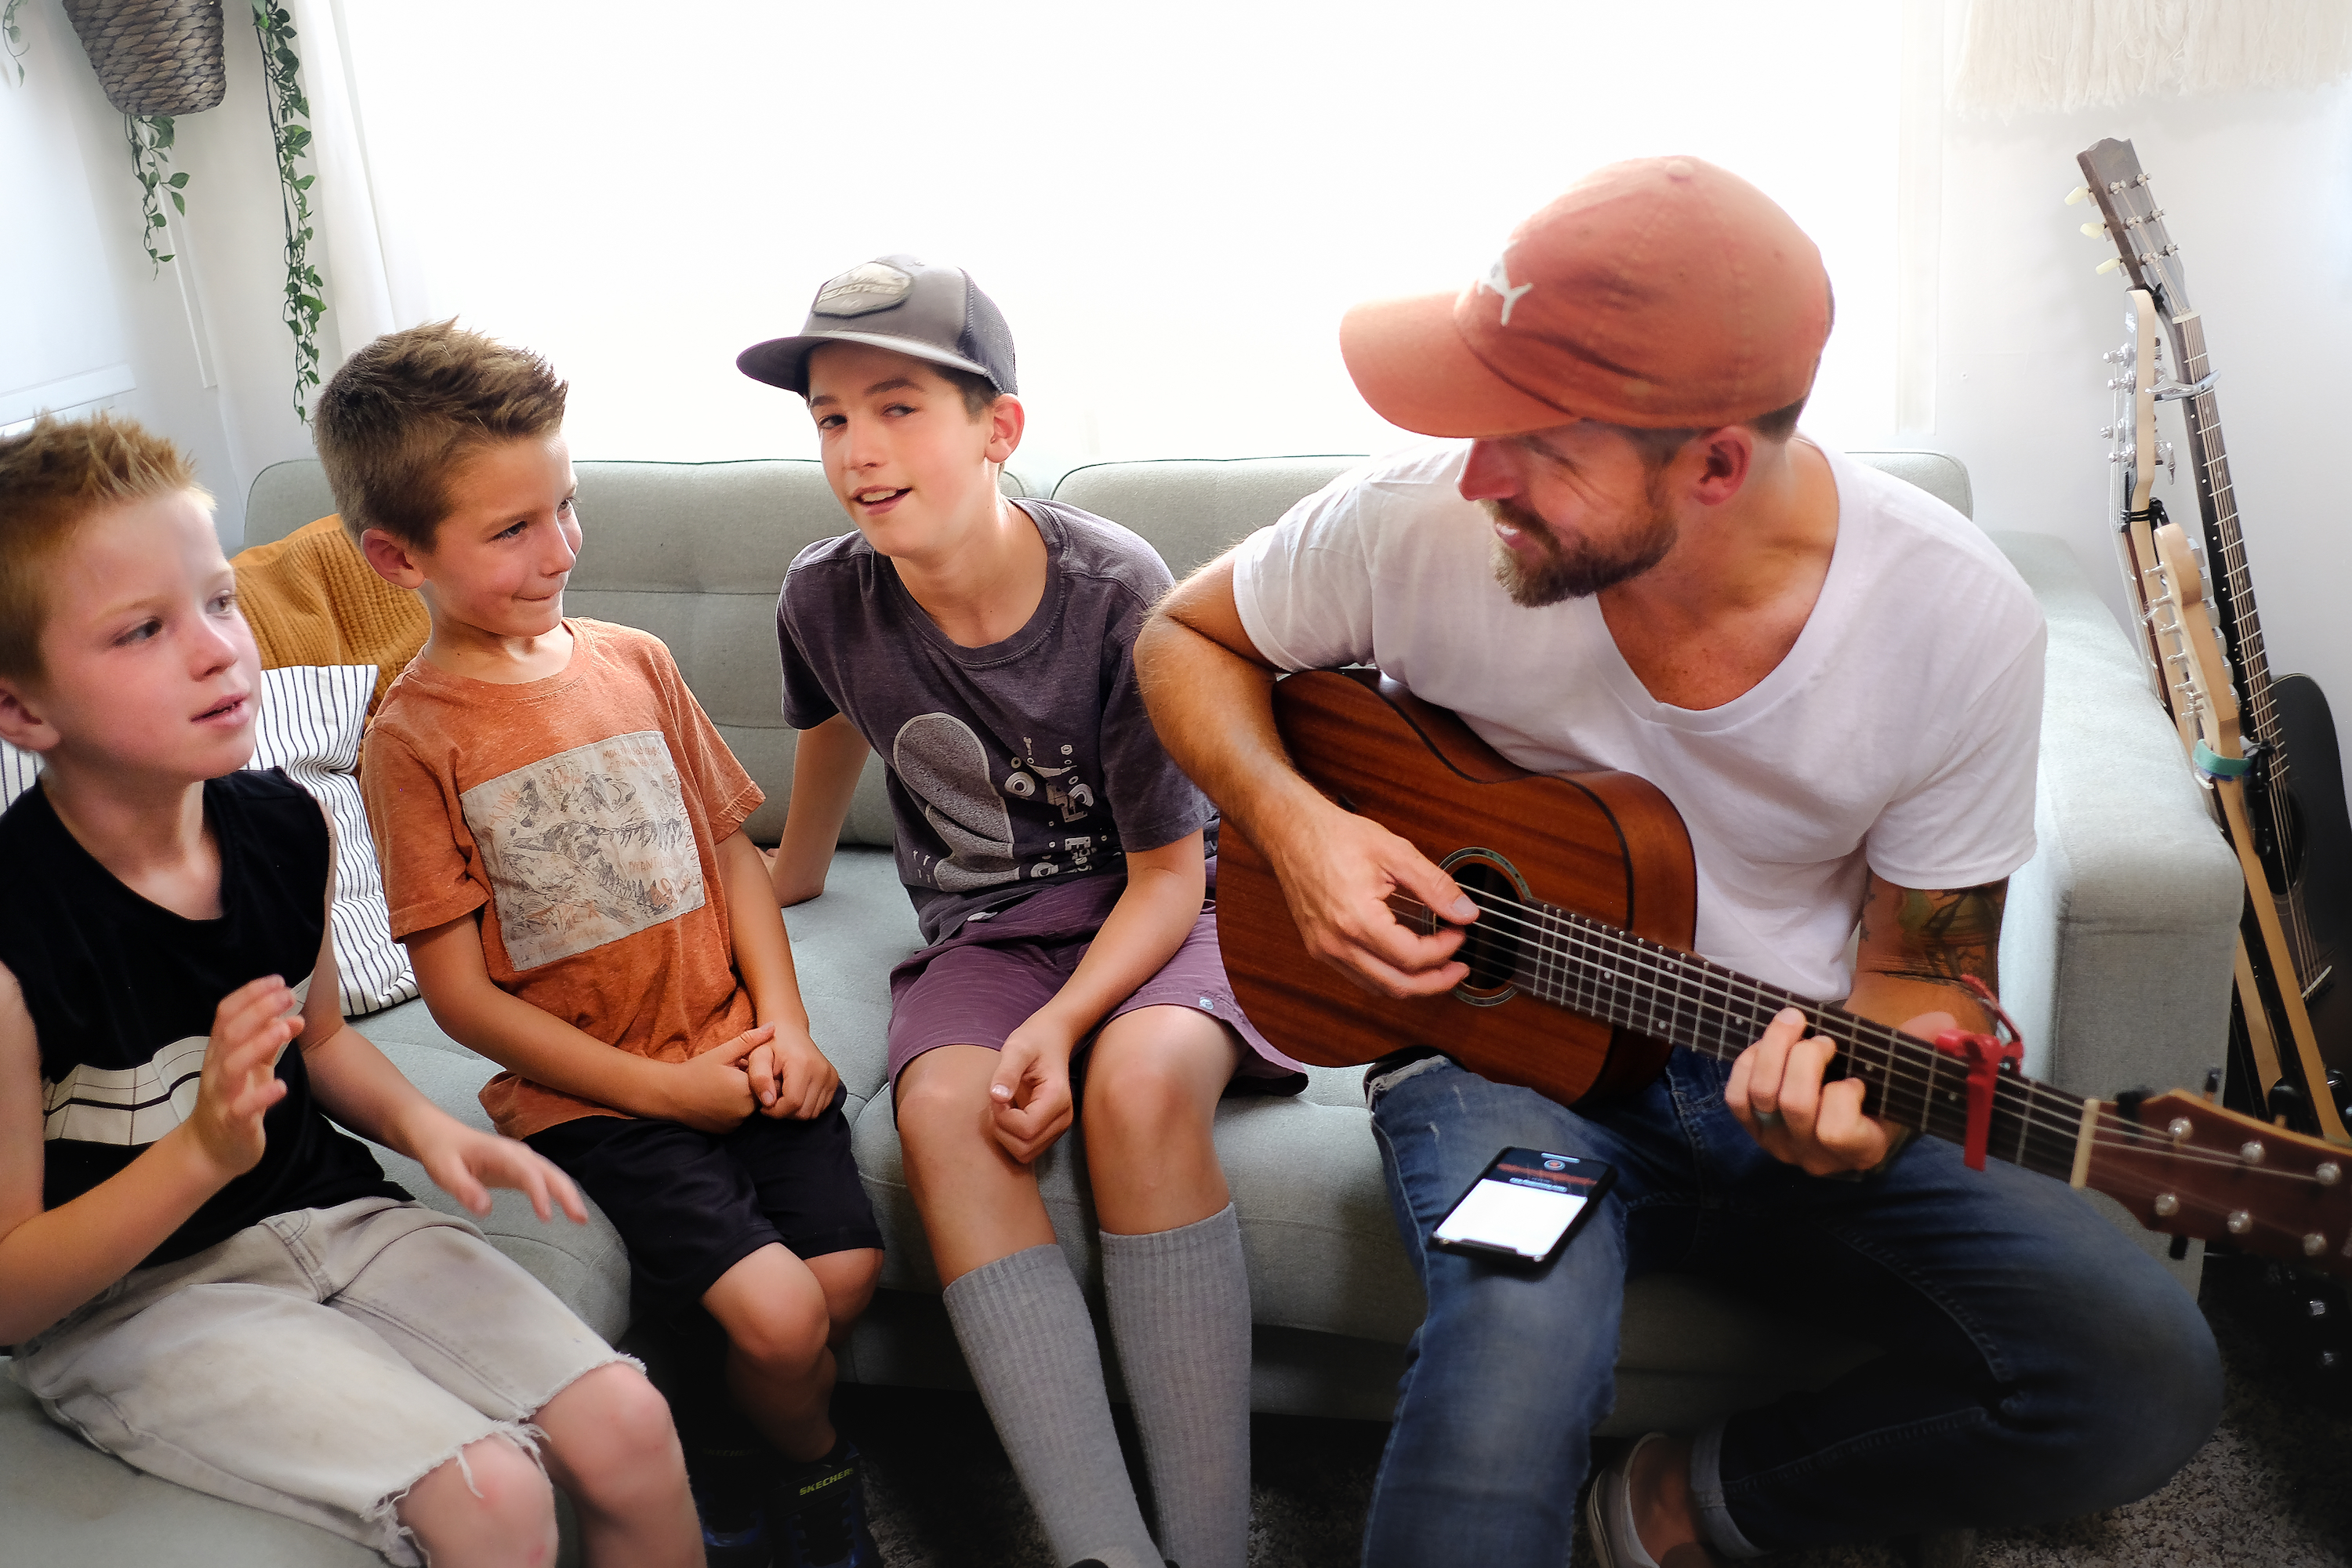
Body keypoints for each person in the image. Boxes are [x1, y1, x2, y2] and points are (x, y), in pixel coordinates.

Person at [1135, 158, 2223, 1568]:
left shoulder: (1953, 619)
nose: (1478, 475)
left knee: (2143, 1370)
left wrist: (1874, 1107)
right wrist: (1300, 826)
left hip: (1779, 1071)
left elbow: (1925, 975)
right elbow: (1183, 637)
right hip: (1502, 1069)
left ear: (1715, 462)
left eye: (1538, 443)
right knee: (1505, 1362)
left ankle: (1684, 1509)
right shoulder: (1421, 522)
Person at [0, 411, 699, 1566]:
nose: (217, 648)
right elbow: (13, 1298)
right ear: (24, 711)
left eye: (219, 601)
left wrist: (432, 1130)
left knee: (628, 1425)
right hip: (136, 1303)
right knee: (491, 1499)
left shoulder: (289, 823)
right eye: (141, 632)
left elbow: (322, 1044)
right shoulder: (16, 939)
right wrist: (200, 1154)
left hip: (335, 1214)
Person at [739, 256, 1308, 1568]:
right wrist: (794, 875)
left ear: (999, 429)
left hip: (1175, 904)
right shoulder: (824, 591)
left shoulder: (1116, 589)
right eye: (830, 418)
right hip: (987, 928)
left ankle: (1210, 1548)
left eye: (896, 409)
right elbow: (823, 735)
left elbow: (1170, 874)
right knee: (945, 1108)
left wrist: (1060, 1028)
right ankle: (1107, 1554)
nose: (857, 452)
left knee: (1142, 1082)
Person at [332, 323, 887, 1568]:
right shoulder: (411, 739)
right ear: (396, 555)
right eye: (513, 530)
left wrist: (787, 1027)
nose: (562, 550)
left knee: (845, 1276)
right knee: (785, 1310)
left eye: (566, 507)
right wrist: (657, 1091)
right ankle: (814, 1480)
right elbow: (462, 998)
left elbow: (734, 855)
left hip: (740, 1048)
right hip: (598, 1100)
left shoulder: (635, 660)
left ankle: (728, 1446)